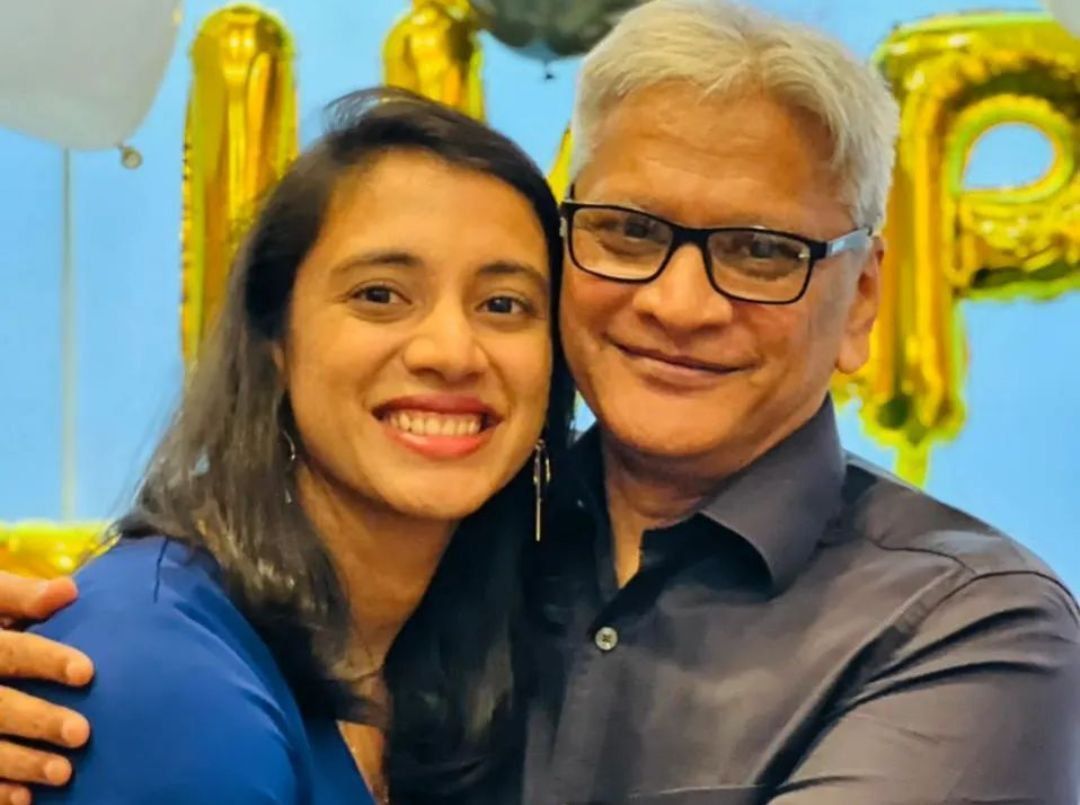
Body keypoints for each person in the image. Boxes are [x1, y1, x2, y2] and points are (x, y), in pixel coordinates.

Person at [1, 1, 1078, 803]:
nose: (680, 302)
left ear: (864, 300)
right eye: (630, 231)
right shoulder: (435, 549)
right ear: (273, 335)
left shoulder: (962, 630)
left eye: (761, 252)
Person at [0, 86, 575, 805]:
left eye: (503, 305)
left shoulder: (461, 663)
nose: (452, 351)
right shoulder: (163, 672)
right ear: (274, 338)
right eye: (380, 294)